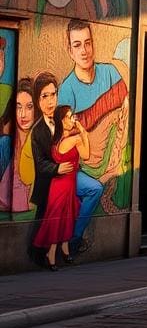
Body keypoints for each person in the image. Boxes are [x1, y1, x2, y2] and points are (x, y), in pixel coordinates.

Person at [33, 105, 88, 270]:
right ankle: (51, 253)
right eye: (70, 117)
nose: (74, 119)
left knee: (66, 216)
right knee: (59, 218)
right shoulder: (74, 139)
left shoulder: (56, 140)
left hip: (62, 184)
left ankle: (63, 249)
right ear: (62, 120)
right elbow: (86, 155)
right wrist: (82, 131)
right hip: (64, 184)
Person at [0, 79, 35, 213]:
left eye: (29, 107)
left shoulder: (41, 141)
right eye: (18, 107)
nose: (23, 114)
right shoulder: (5, 144)